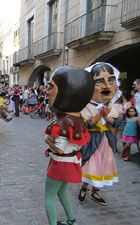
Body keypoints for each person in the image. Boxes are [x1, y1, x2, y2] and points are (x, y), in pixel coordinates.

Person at [44, 67, 94, 225]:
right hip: (72, 161)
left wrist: (48, 142)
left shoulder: (61, 122)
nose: (47, 91)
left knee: (49, 197)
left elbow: (59, 149)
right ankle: (71, 221)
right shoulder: (78, 118)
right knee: (61, 191)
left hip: (60, 163)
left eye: (51, 87)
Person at [77, 62, 122, 206]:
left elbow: (116, 122)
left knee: (103, 167)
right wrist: (100, 115)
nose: (107, 86)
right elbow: (86, 124)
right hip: (91, 141)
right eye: (99, 82)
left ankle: (95, 191)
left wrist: (106, 116)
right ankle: (83, 189)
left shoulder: (111, 105)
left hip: (106, 142)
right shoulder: (84, 104)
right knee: (90, 166)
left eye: (111, 80)